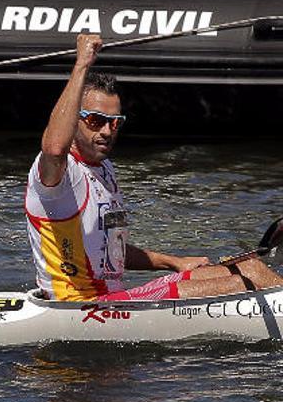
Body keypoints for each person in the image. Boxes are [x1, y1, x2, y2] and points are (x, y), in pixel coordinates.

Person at [25, 33, 282, 302]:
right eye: (95, 120)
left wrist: (174, 262)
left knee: (250, 268)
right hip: (79, 306)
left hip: (117, 298)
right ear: (73, 119)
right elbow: (54, 148)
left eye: (114, 123)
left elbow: (110, 252)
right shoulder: (58, 177)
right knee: (241, 284)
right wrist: (81, 65)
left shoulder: (105, 170)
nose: (106, 131)